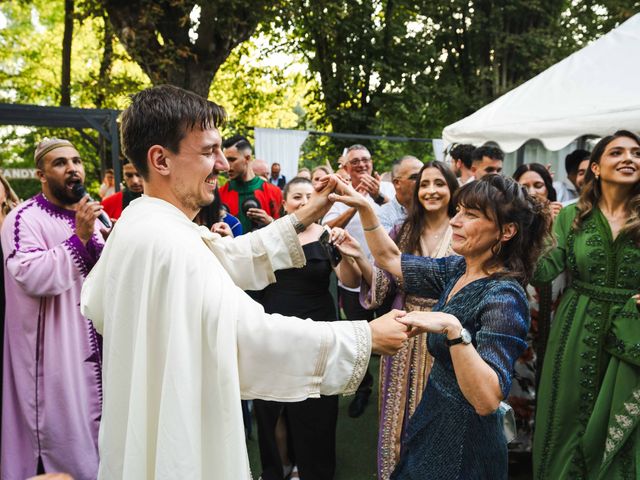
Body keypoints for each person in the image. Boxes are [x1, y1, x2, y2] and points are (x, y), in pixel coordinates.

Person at [80, 85, 409, 480]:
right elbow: (246, 335)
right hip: (179, 432)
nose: (223, 164)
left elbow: (226, 258)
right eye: (208, 151)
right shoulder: (166, 241)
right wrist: (364, 338)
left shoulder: (140, 224)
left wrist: (310, 211)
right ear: (160, 159)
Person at [329, 173, 552, 479]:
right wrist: (366, 210)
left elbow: (487, 399)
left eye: (470, 215)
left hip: (465, 442)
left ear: (507, 231)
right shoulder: (460, 268)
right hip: (434, 419)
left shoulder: (504, 297)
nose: (455, 221)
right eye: (458, 211)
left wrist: (454, 330)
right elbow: (390, 259)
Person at [336, 161, 459, 479]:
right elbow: (385, 284)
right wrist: (358, 256)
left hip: (447, 338)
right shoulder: (402, 231)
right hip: (403, 336)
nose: (431, 190)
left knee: (441, 420)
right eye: (424, 184)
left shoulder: (463, 232)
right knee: (396, 418)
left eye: (439, 183)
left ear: (452, 189)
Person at [533, 130, 640, 480]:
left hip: (633, 332)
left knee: (625, 424)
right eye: (617, 153)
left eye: (637, 153)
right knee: (568, 420)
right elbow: (545, 271)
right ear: (595, 167)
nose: (629, 159)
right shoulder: (570, 217)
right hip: (575, 328)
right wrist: (528, 231)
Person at [1, 138, 106, 480]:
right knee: (64, 439)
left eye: (76, 161)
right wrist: (79, 239)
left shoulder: (93, 215)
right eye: (61, 163)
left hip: (97, 348)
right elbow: (29, 274)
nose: (73, 168)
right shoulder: (22, 219)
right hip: (55, 358)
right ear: (41, 175)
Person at [254, 177, 352, 480]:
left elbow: (350, 280)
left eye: (311, 196)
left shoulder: (328, 236)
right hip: (275, 327)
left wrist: (347, 250)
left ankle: (312, 469)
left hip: (318, 329)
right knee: (274, 403)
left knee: (315, 404)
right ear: (284, 203)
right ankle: (280, 465)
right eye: (297, 196)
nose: (304, 201)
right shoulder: (268, 236)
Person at [323, 144, 396, 418]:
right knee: (360, 336)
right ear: (346, 167)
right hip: (353, 280)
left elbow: (401, 219)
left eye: (366, 160)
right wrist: (356, 203)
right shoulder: (337, 193)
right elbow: (328, 229)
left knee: (392, 331)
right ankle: (364, 388)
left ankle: (391, 388)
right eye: (355, 162)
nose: (362, 165)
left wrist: (374, 196)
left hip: (387, 276)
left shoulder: (386, 191)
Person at [508, 163, 565, 470]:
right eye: (524, 186)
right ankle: (513, 450)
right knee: (516, 379)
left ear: (549, 190)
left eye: (539, 185)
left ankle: (544, 450)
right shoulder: (507, 229)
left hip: (554, 319)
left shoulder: (566, 225)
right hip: (517, 324)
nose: (532, 191)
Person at [219, 135, 283, 232]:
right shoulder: (219, 194)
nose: (227, 165)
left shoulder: (274, 192)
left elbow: (285, 232)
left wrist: (270, 222)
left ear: (247, 158)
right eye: (225, 159)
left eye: (232, 160)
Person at [377, 156, 424, 232]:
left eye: (424, 176)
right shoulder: (382, 216)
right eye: (415, 177)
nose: (422, 181)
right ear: (397, 183)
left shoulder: (432, 207)